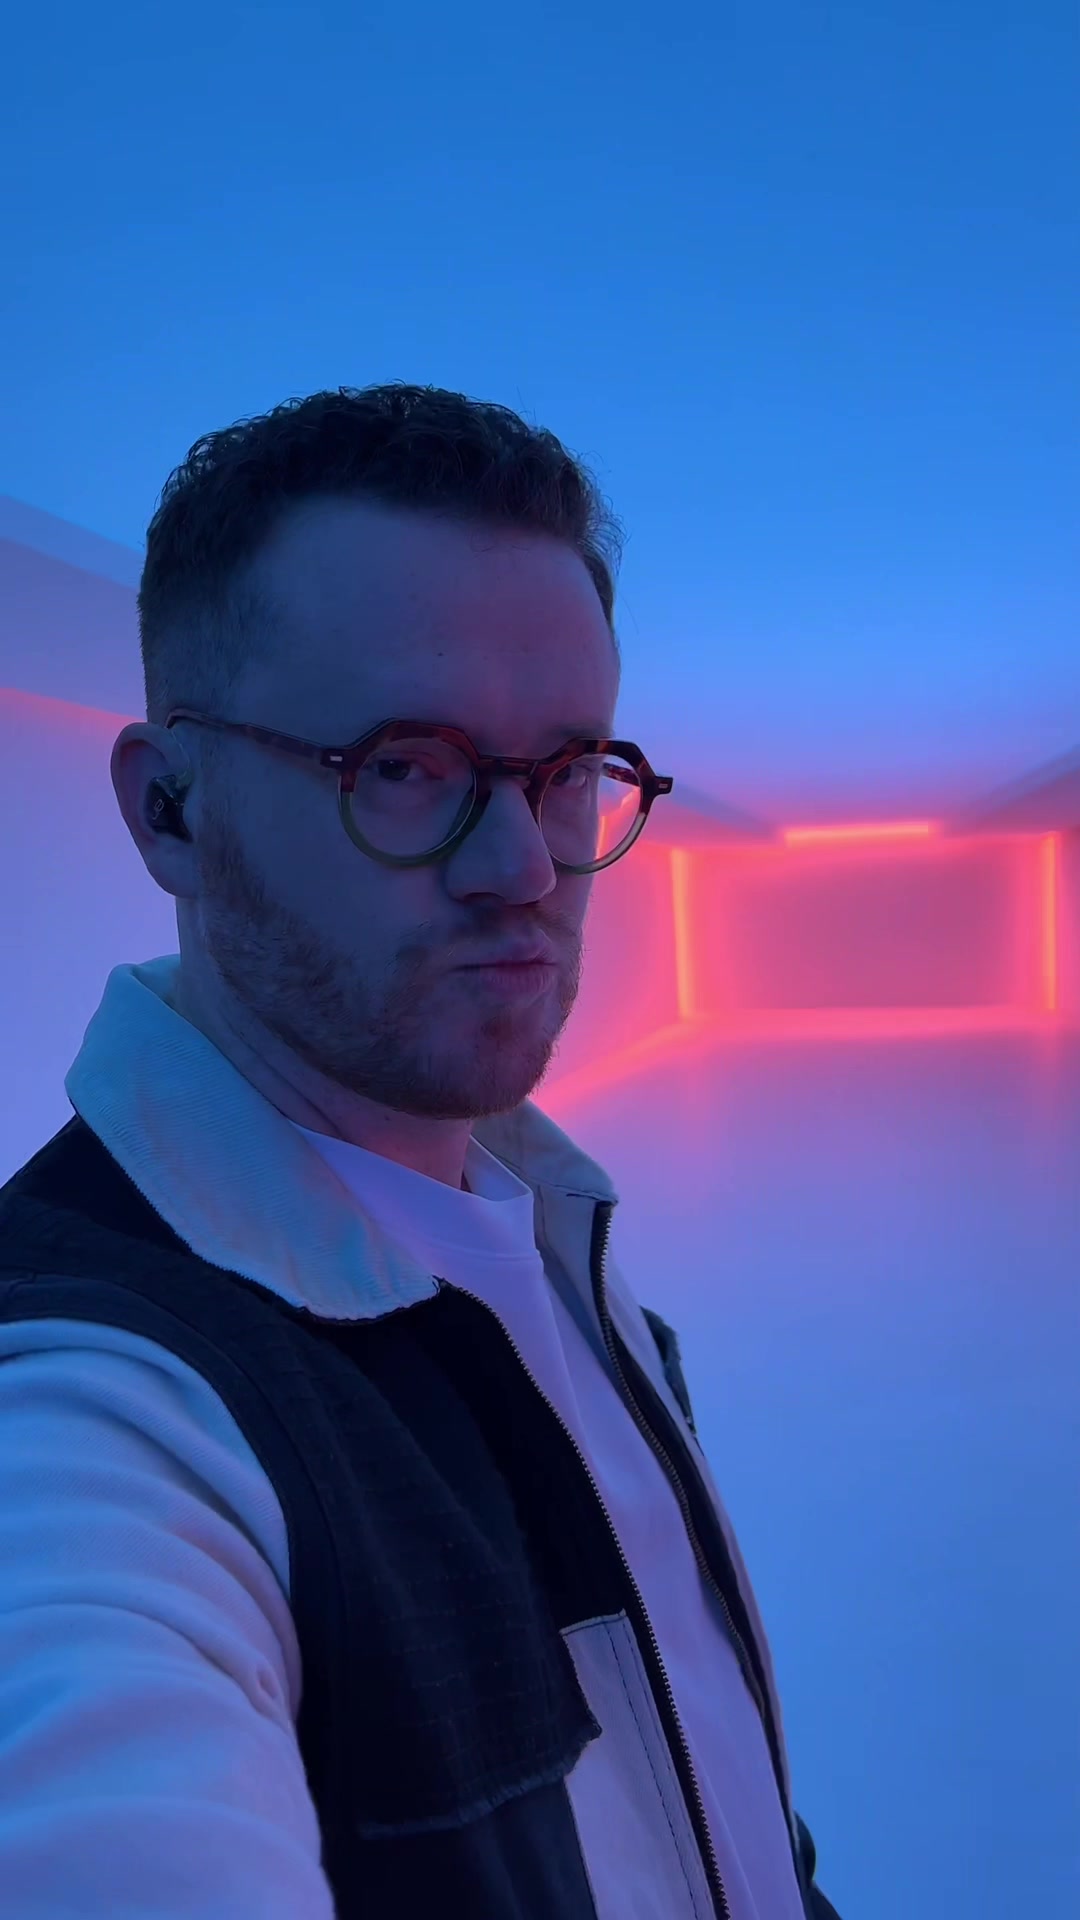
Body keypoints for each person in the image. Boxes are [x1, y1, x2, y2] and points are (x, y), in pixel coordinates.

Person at [0, 383, 841, 1918]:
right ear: (171, 811)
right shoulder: (84, 1402)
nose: (522, 867)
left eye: (567, 770)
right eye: (405, 765)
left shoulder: (560, 1247)